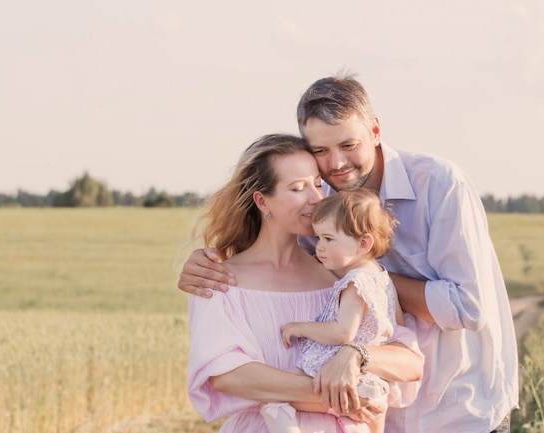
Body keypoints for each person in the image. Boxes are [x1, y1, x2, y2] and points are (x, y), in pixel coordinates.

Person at [179, 73, 519, 433]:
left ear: (375, 131)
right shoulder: (320, 215)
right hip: (377, 417)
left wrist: (364, 280)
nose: (336, 164)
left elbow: (465, 308)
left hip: (459, 407)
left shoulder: (441, 185)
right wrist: (203, 262)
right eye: (321, 152)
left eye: (348, 144)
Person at [186, 134, 423, 433]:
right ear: (262, 201)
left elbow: (410, 362)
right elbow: (227, 375)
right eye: (298, 188)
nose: (315, 198)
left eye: (316, 183)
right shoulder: (219, 280)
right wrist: (341, 397)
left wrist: (355, 355)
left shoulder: (344, 276)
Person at [261, 188, 405, 433]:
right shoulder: (381, 276)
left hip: (346, 376)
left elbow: (342, 332)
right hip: (373, 379)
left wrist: (300, 328)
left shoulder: (355, 283)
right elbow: (396, 324)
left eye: (329, 239)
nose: (320, 247)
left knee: (274, 397)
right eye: (318, 239)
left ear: (363, 243)